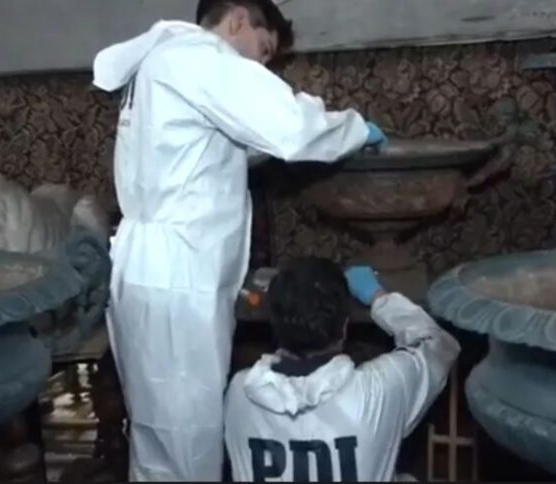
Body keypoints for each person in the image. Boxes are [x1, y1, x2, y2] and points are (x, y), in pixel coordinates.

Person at [91, 0, 389, 480]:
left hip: (151, 268)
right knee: (186, 435)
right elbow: (293, 126)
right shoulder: (201, 57)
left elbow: (213, 152)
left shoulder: (164, 63)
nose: (261, 66)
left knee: (157, 432)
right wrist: (354, 129)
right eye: (263, 49)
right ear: (237, 20)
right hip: (177, 276)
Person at [224, 258, 461, 481]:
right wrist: (378, 297)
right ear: (345, 325)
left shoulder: (239, 393)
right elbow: (439, 345)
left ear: (273, 322)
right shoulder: (380, 390)